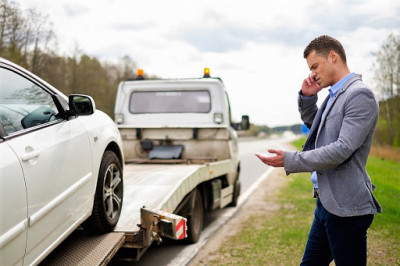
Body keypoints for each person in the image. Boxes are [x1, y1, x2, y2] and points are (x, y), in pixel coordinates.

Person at [255, 35, 381, 266]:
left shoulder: (359, 94)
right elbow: (319, 128)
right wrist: (308, 98)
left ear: (332, 56)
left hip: (346, 208)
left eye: (315, 66)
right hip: (326, 203)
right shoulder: (335, 95)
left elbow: (341, 149)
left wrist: (290, 160)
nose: (312, 73)